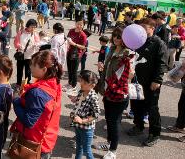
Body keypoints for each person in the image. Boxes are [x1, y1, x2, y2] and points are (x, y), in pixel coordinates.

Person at [10, 50, 63, 158]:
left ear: (44, 69)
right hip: (47, 138)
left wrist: (16, 100)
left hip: (34, 143)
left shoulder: (38, 93)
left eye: (33, 64)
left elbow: (29, 121)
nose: (30, 67)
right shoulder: (54, 83)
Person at [127, 18, 168, 147]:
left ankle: (154, 133)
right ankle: (138, 126)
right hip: (137, 80)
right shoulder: (138, 41)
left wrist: (157, 80)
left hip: (151, 82)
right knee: (136, 104)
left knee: (152, 108)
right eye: (140, 27)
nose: (141, 30)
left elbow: (162, 64)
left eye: (144, 27)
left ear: (152, 28)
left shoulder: (159, 43)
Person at [97, 26, 134, 159]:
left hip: (119, 91)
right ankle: (108, 143)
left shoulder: (128, 53)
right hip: (108, 89)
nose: (116, 38)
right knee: (108, 118)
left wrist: (131, 71)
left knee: (114, 121)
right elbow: (108, 69)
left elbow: (130, 75)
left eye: (119, 36)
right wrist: (102, 68)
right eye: (115, 36)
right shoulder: (112, 49)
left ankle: (113, 150)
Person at [70, 70, 100, 159]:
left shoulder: (93, 97)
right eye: (81, 80)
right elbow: (79, 102)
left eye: (84, 82)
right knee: (79, 146)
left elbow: (96, 114)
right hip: (77, 125)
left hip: (87, 128)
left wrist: (83, 121)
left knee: (87, 150)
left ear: (92, 85)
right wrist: (74, 99)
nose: (81, 83)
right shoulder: (81, 91)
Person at [14, 19, 39, 86]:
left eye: (34, 27)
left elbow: (38, 42)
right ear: (28, 26)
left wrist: (35, 45)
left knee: (28, 71)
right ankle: (18, 84)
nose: (33, 28)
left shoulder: (35, 34)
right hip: (21, 54)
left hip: (30, 55)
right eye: (32, 27)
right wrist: (20, 46)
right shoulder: (21, 32)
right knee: (19, 70)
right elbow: (16, 43)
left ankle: (27, 84)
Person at [66, 19, 88, 92]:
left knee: (74, 71)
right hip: (69, 52)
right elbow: (67, 38)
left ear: (83, 26)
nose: (79, 26)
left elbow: (83, 47)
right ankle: (69, 83)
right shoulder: (71, 31)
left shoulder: (83, 35)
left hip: (76, 55)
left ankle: (73, 85)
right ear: (75, 23)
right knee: (69, 69)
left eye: (81, 25)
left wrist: (74, 44)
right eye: (78, 24)